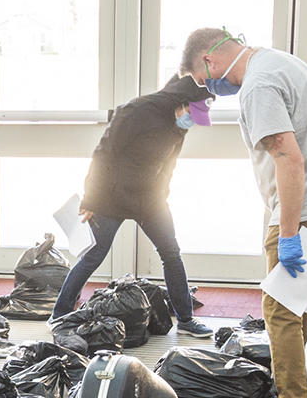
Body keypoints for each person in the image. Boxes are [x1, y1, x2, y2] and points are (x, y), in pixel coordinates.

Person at [186, 26, 307, 398]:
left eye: (203, 79)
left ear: (210, 60)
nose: (210, 88)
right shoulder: (279, 61)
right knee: (295, 300)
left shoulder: (257, 86)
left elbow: (289, 160)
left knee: (278, 308)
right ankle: (293, 387)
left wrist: (286, 233)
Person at [54, 73, 218, 337]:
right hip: (112, 195)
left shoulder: (180, 124)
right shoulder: (136, 112)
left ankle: (186, 321)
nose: (191, 121)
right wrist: (91, 197)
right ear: (180, 101)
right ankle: (60, 314)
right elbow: (103, 154)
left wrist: (162, 195)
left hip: (150, 198)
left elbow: (169, 165)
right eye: (191, 113)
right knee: (93, 255)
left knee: (171, 254)